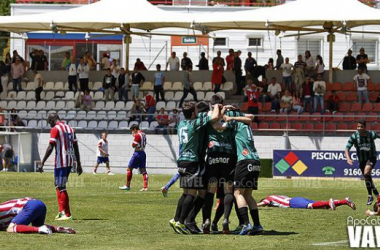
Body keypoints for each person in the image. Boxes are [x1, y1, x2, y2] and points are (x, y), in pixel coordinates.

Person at [169, 102, 219, 234]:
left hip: (182, 161)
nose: (197, 112)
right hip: (192, 161)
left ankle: (176, 219)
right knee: (191, 193)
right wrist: (218, 107)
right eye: (195, 111)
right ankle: (181, 221)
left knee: (186, 192)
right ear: (192, 113)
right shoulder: (195, 124)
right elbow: (214, 118)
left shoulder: (181, 124)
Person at [40, 113, 83, 220]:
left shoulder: (55, 129)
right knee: (58, 186)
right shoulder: (70, 129)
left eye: (49, 122)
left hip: (61, 162)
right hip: (68, 161)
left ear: (53, 119)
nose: (49, 124)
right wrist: (79, 163)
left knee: (61, 186)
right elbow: (76, 146)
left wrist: (42, 162)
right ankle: (61, 211)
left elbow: (51, 146)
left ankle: (67, 214)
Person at [345, 120, 380, 205]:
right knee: (367, 176)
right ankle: (374, 192)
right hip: (361, 160)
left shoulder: (371, 134)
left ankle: (371, 195)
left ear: (365, 127)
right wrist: (348, 158)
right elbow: (347, 148)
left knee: (366, 172)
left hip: (371, 157)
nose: (359, 128)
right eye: (358, 127)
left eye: (361, 127)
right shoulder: (354, 136)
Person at [0, 197, 76, 234]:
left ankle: (40, 230)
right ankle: (57, 228)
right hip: (40, 204)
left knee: (10, 229)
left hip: (30, 205)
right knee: (36, 226)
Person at [119, 124, 148, 192]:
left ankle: (127, 185)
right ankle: (145, 187)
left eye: (132, 130)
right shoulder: (143, 134)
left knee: (129, 168)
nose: (132, 132)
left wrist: (134, 137)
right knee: (143, 170)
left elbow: (133, 145)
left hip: (137, 153)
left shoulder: (137, 135)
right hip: (143, 153)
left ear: (135, 129)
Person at [257, 195, 356, 210]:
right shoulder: (275, 195)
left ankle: (330, 202)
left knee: (309, 206)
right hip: (296, 198)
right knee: (323, 205)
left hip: (292, 202)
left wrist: (250, 205)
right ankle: (345, 201)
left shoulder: (268, 198)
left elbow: (262, 204)